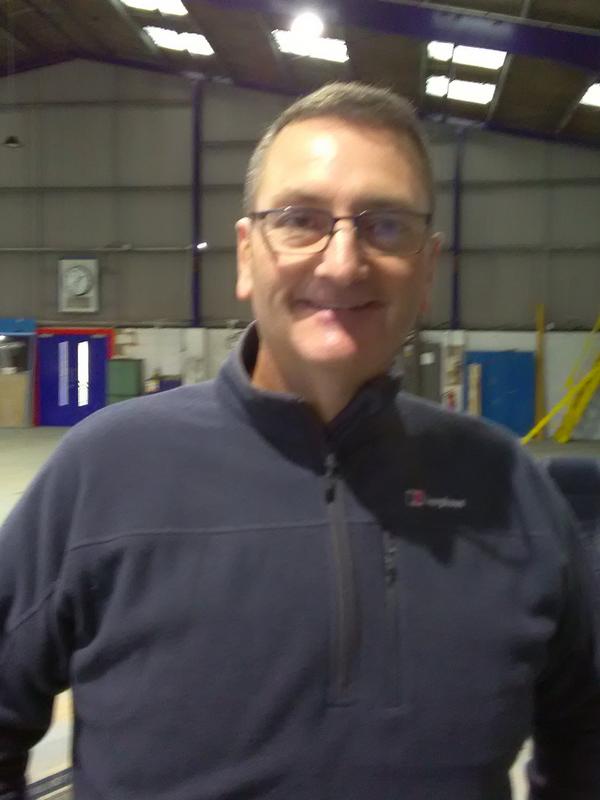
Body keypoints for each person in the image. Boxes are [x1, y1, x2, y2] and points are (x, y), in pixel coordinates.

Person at [1, 82, 599, 800]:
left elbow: (585, 742)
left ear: (428, 267)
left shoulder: (508, 486)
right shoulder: (105, 473)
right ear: (246, 255)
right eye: (299, 220)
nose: (342, 262)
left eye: (386, 226)